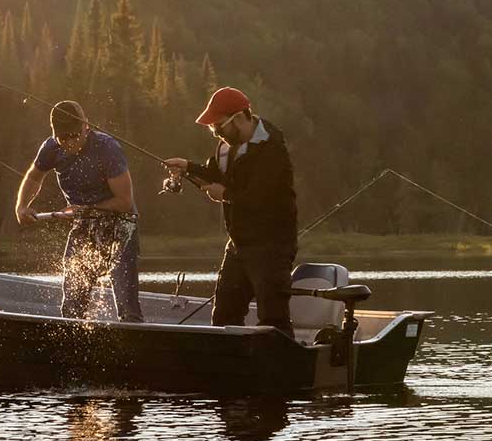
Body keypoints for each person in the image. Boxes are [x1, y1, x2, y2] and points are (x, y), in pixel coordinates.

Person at [164, 87, 298, 337]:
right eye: (212, 129)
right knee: (224, 316)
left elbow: (261, 197)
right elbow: (215, 175)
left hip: (272, 246)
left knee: (274, 319)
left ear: (238, 118)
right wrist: (188, 167)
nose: (216, 133)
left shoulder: (272, 149)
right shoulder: (226, 147)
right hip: (238, 246)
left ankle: (280, 373)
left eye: (218, 126)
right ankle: (233, 371)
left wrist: (224, 195)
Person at [15, 100, 144, 323]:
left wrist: (84, 209)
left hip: (120, 225)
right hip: (83, 225)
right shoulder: (51, 148)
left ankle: (132, 338)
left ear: (85, 126)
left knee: (126, 303)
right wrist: (22, 205)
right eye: (62, 138)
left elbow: (124, 201)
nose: (69, 143)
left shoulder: (108, 148)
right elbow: (34, 176)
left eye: (73, 136)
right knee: (73, 301)